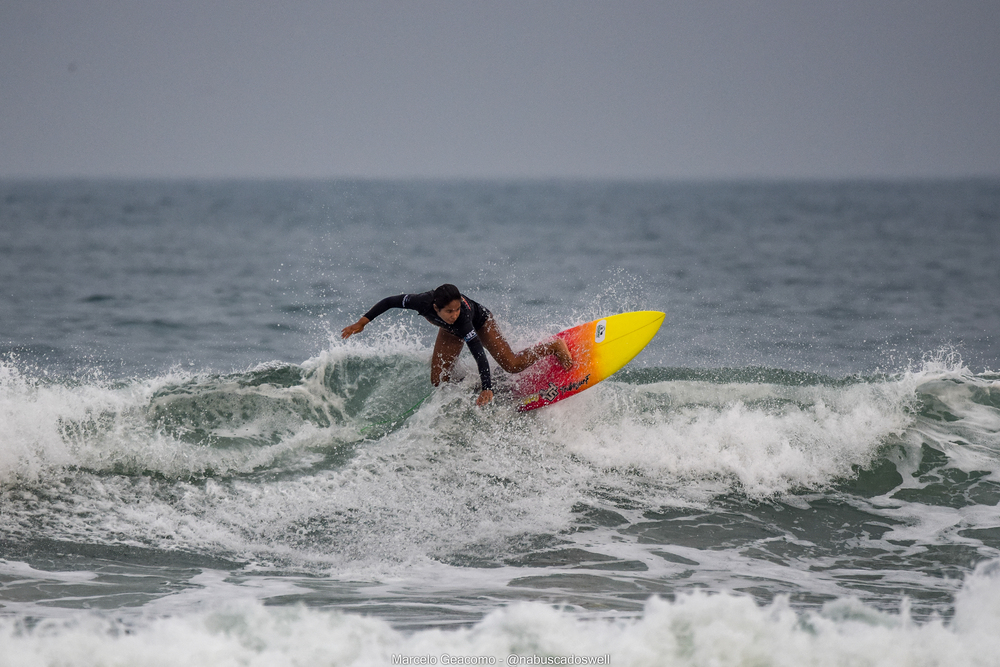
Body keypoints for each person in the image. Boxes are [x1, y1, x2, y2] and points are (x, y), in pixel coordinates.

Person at [341, 284, 572, 406]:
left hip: (480, 322)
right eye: (449, 311)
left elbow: (478, 352)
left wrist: (486, 387)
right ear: (435, 308)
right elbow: (390, 301)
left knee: (512, 364)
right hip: (450, 333)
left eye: (457, 309)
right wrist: (362, 322)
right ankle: (483, 385)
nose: (454, 314)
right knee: (438, 380)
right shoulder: (421, 302)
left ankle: (553, 346)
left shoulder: (462, 320)